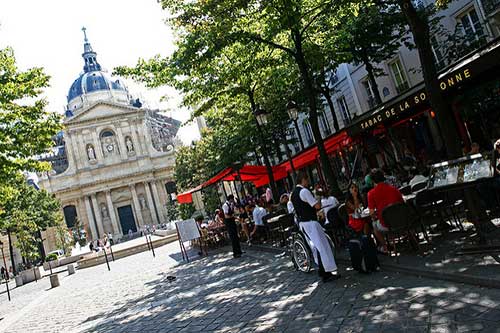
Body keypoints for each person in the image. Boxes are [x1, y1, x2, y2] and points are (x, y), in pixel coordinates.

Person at [291, 171, 341, 282]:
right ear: (303, 179)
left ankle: (323, 270)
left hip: (304, 223)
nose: (308, 182)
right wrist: (318, 196)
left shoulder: (293, 193)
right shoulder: (304, 191)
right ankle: (326, 272)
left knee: (318, 247)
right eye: (307, 179)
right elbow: (317, 206)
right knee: (322, 247)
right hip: (311, 222)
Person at [368, 168, 404, 253]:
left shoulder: (371, 194)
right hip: (401, 219)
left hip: (386, 224)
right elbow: (402, 203)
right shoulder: (393, 188)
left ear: (373, 180)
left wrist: (375, 217)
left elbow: (372, 214)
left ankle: (385, 247)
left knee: (374, 225)